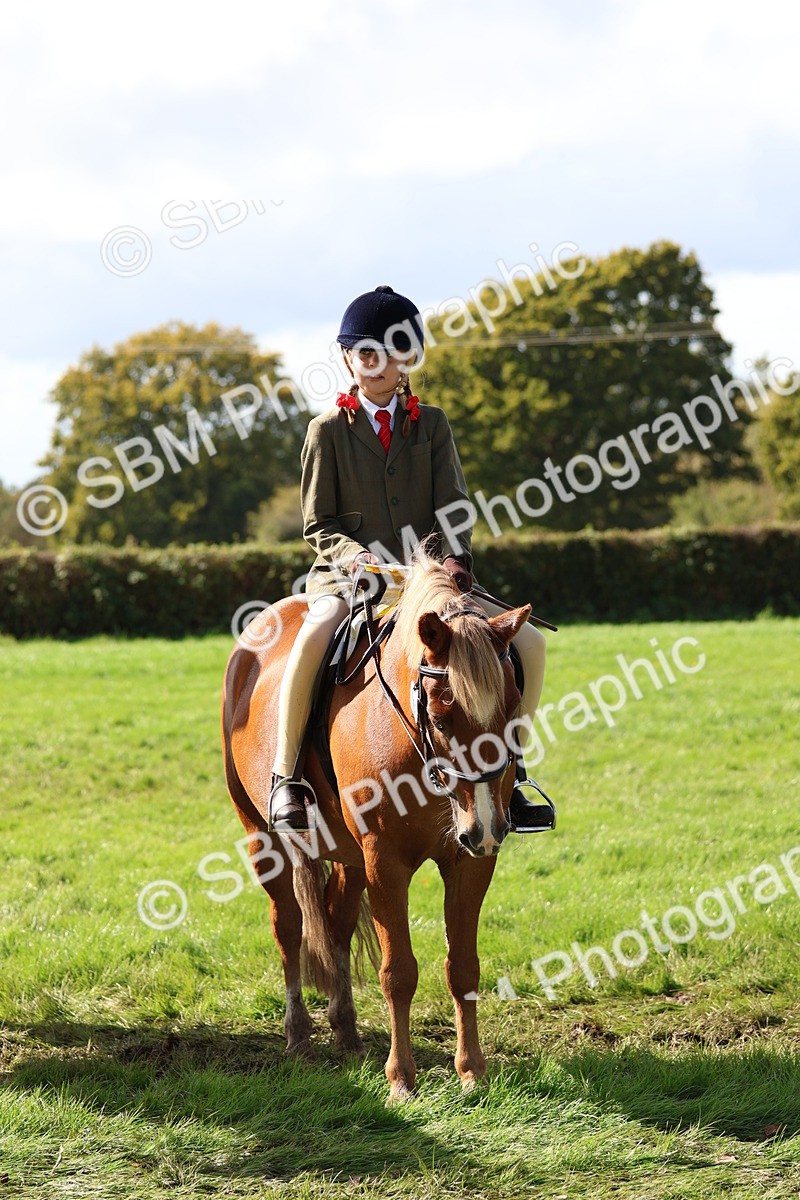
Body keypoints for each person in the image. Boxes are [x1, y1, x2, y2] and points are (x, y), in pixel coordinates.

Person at [270, 285, 553, 834]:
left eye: (389, 353)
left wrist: (454, 561)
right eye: (365, 353)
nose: (376, 365)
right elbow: (316, 524)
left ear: (407, 361)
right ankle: (287, 778)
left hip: (430, 582)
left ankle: (512, 773)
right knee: (312, 634)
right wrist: (361, 563)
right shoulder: (326, 431)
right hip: (351, 577)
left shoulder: (433, 424)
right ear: (348, 358)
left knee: (532, 643)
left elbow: (453, 506)